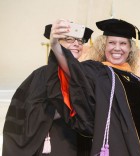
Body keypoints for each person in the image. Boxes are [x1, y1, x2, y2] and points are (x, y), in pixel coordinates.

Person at [47, 18, 140, 156]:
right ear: (103, 46)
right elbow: (71, 70)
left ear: (130, 49)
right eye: (111, 43)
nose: (117, 48)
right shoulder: (94, 71)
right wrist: (55, 44)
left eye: (123, 43)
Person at [2, 23, 93, 156]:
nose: (76, 44)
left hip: (79, 145)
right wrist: (62, 110)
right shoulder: (40, 75)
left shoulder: (88, 76)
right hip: (50, 143)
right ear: (57, 43)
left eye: (80, 40)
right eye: (69, 39)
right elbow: (23, 116)